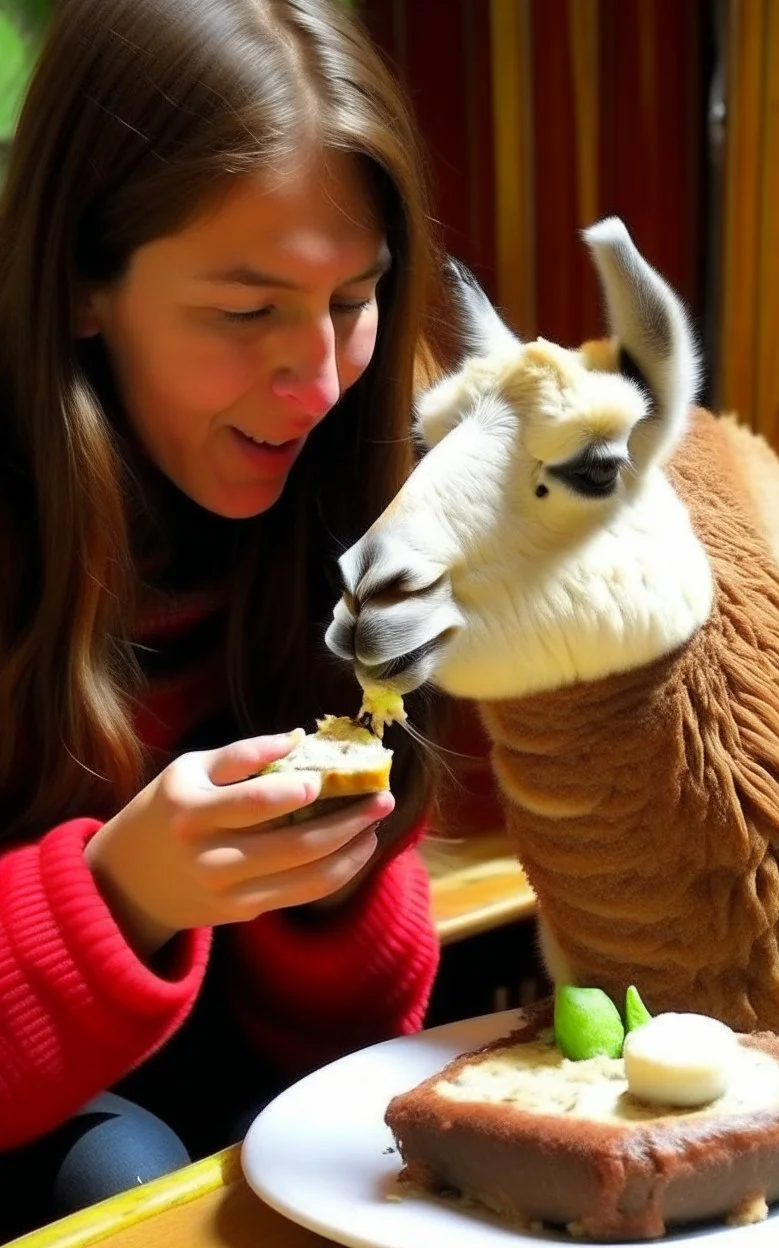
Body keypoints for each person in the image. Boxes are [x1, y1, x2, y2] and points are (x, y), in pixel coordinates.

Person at [0, 0, 445, 1234]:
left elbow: (353, 1053)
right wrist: (117, 898)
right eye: (245, 313)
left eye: (353, 298)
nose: (313, 382)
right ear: (84, 285)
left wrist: (325, 871)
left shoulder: (354, 487)